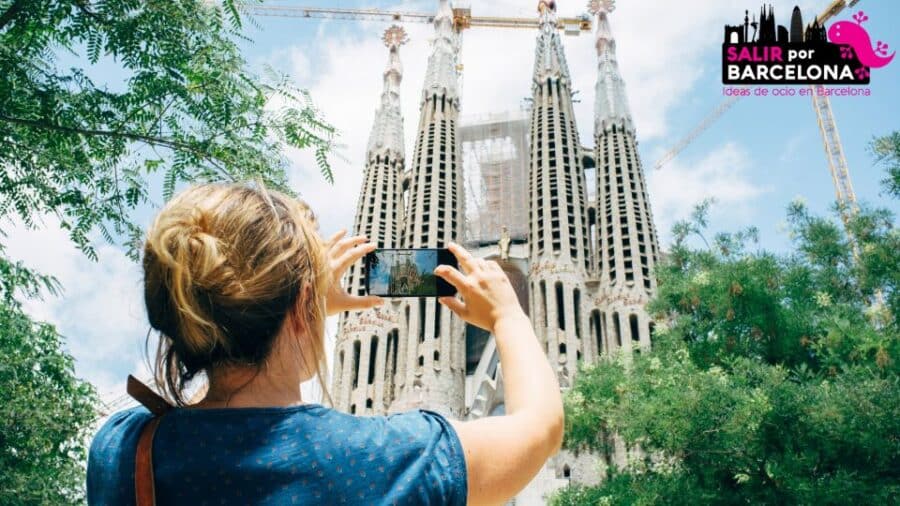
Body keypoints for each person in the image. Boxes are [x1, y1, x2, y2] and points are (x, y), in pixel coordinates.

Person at [87, 183, 563, 505]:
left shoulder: (123, 449)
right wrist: (507, 312)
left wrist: (297, 308)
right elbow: (539, 429)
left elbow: (211, 410)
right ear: (301, 305)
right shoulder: (379, 459)